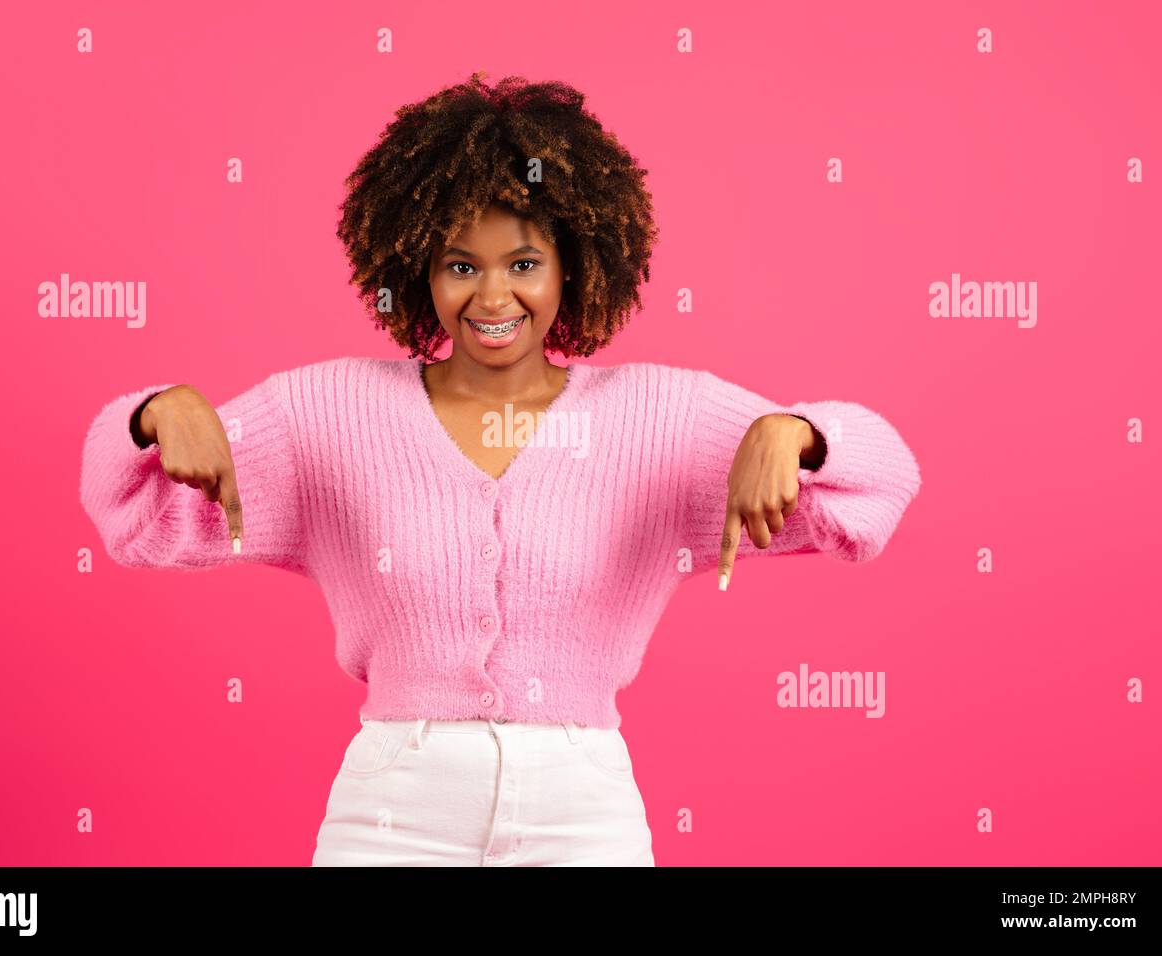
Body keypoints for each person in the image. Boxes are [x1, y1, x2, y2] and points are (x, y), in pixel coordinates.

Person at [79, 72, 922, 867]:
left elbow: (882, 481)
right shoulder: (324, 416)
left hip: (584, 807)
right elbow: (133, 517)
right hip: (392, 811)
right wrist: (152, 414)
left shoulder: (661, 418)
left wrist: (797, 433)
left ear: (573, 266)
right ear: (417, 270)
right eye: (459, 265)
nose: (492, 297)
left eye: (523, 264)